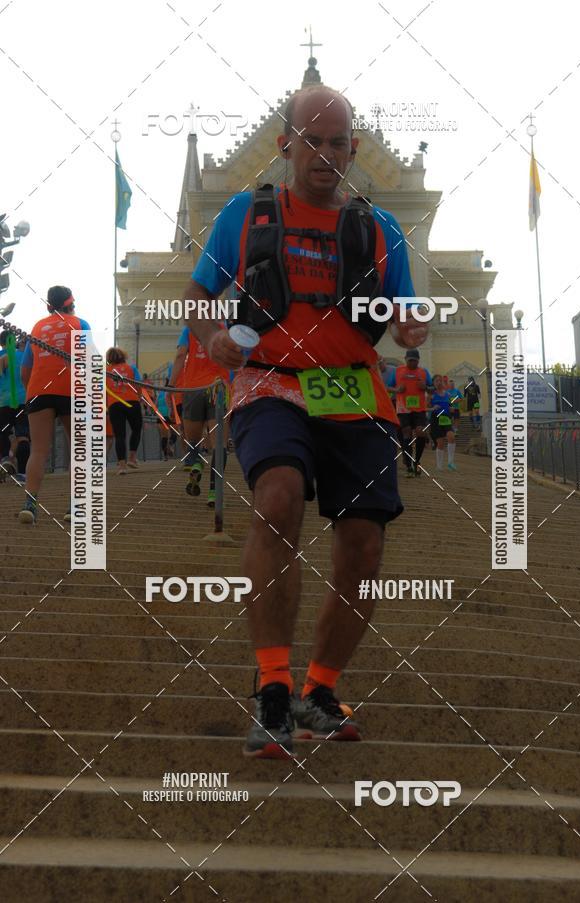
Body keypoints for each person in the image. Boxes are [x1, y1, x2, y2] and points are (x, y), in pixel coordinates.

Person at [182, 84, 428, 758]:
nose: (326, 153)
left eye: (338, 141)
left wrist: (409, 328)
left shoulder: (382, 229)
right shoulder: (245, 213)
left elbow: (404, 312)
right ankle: (270, 683)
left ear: (354, 149)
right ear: (285, 145)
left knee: (364, 545)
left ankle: (319, 688)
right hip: (272, 384)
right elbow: (199, 297)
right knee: (277, 496)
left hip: (352, 390)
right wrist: (211, 340)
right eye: (312, 140)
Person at [18, 285, 92, 524]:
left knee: (38, 450)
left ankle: (30, 504)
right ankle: (75, 507)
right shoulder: (80, 324)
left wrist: (34, 391)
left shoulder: (38, 327)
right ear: (71, 303)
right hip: (72, 389)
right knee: (77, 449)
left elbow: (25, 370)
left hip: (39, 390)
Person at [168, 325, 229, 506]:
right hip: (218, 387)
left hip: (193, 389)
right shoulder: (224, 329)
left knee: (193, 440)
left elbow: (180, 355)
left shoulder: (189, 330)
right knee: (219, 443)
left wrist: (171, 386)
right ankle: (214, 492)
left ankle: (196, 464)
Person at [394, 349, 433, 477]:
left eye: (414, 361)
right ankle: (409, 465)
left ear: (418, 360)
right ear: (405, 359)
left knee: (421, 433)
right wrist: (396, 389)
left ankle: (416, 461)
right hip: (403, 408)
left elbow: (433, 389)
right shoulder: (398, 371)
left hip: (419, 409)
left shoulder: (423, 372)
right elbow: (386, 387)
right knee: (407, 433)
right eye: (410, 360)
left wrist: (426, 388)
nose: (412, 363)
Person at [105, 348, 143, 476]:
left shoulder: (106, 371)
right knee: (136, 429)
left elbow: (103, 390)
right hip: (132, 401)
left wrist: (107, 406)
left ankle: (122, 466)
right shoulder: (131, 368)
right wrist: (139, 398)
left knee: (119, 435)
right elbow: (138, 385)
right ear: (123, 356)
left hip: (114, 404)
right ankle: (132, 457)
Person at [0, 332, 30, 482]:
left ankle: (5, 458)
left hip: (4, 402)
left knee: (3, 433)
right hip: (24, 401)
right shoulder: (24, 357)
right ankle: (23, 474)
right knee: (22, 435)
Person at [430, 374, 457, 471]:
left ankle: (450, 462)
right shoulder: (431, 395)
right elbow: (424, 408)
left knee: (451, 436)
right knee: (440, 443)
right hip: (436, 419)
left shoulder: (448, 395)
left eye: (440, 380)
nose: (439, 382)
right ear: (433, 383)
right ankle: (439, 466)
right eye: (437, 381)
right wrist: (432, 408)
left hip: (446, 418)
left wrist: (451, 409)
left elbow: (449, 406)